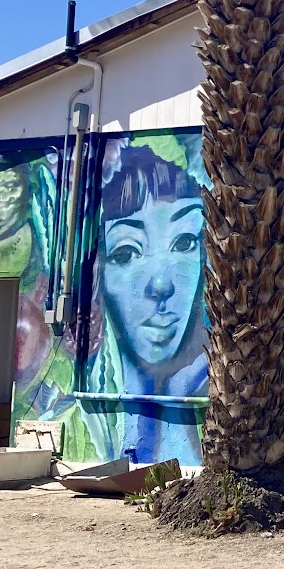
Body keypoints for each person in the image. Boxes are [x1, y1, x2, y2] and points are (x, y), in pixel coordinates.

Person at [88, 144, 209, 465]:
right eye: (127, 252)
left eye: (184, 242)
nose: (161, 285)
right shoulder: (86, 410)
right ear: (100, 276)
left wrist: (178, 397)